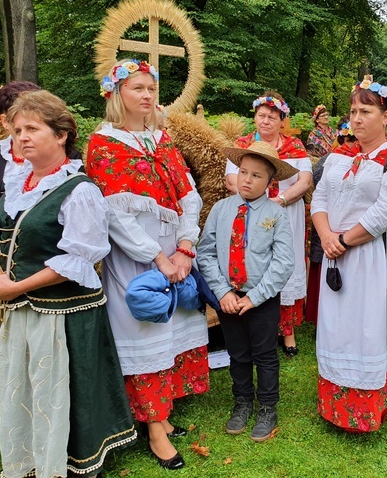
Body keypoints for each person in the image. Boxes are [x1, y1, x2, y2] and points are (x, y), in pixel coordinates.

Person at [0, 90, 136, 478]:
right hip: (20, 311)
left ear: (62, 134)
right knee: (26, 386)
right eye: (17, 130)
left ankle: (71, 462)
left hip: (63, 314)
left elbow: (78, 258)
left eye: (33, 128)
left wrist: (14, 288)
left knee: (64, 391)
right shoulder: (19, 182)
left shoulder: (79, 190)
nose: (22, 137)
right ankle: (32, 456)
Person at [87, 59, 208, 470]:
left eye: (151, 89)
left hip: (175, 252)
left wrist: (186, 247)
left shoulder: (161, 138)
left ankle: (163, 415)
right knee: (144, 330)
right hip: (137, 257)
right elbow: (114, 214)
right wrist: (157, 257)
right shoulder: (104, 143)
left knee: (170, 330)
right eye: (137, 87)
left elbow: (188, 194)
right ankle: (154, 429)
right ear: (116, 93)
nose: (146, 95)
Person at [311, 76, 387, 432]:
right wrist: (327, 235)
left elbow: (384, 213)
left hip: (372, 254)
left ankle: (368, 407)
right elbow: (320, 197)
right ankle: (335, 404)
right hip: (335, 251)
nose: (356, 118)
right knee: (336, 327)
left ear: (385, 116)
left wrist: (343, 240)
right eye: (353, 111)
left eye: (366, 111)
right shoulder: (339, 154)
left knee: (368, 327)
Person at [198, 141, 296, 442]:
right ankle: (242, 402)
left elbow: (283, 261)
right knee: (237, 353)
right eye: (243, 172)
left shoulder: (276, 214)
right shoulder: (221, 209)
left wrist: (255, 297)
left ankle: (267, 406)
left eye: (256, 175)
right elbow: (206, 253)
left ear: (270, 182)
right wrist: (223, 293)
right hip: (228, 298)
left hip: (261, 299)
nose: (247, 180)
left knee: (264, 354)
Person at [225, 92, 311, 356]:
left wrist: (280, 200)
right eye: (261, 115)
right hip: (249, 212)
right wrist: (258, 201)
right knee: (254, 264)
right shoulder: (243, 144)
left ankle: (288, 333)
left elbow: (305, 180)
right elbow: (231, 180)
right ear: (254, 117)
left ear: (282, 120)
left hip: (286, 214)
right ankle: (256, 330)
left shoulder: (294, 146)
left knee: (284, 264)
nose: (266, 121)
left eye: (272, 117)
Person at [0, 81, 40, 401]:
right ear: (4, 121)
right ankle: (10, 399)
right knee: (1, 339)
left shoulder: (59, 155)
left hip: (42, 266)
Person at [305, 116, 354, 323]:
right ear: (341, 139)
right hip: (328, 224)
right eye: (348, 139)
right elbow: (319, 186)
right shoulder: (329, 160)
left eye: (354, 139)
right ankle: (319, 314)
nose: (352, 143)